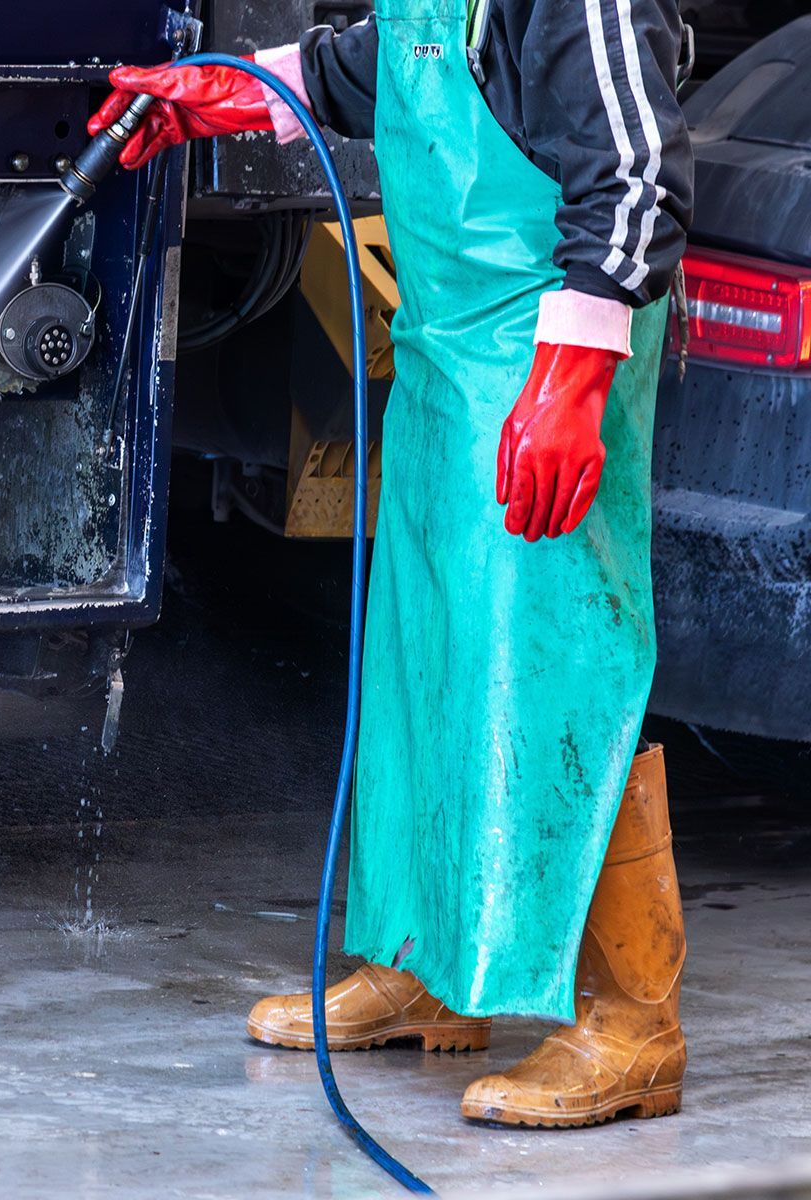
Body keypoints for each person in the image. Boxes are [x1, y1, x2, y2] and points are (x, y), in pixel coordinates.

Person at [95, 0, 693, 1128]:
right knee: (428, 652)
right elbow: (391, 65)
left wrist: (571, 383)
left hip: (541, 352)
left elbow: (638, 171)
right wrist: (240, 89)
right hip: (445, 354)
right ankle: (426, 963)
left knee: (564, 664)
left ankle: (633, 1027)